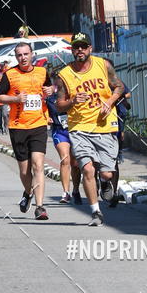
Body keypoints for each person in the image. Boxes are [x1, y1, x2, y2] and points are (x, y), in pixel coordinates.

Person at [55, 32, 125, 226]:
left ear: (90, 49)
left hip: (104, 125)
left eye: (83, 46)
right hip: (79, 128)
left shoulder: (103, 65)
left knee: (107, 173)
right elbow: (59, 105)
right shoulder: (64, 75)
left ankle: (105, 182)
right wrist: (72, 101)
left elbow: (119, 87)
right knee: (87, 169)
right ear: (71, 50)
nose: (80, 50)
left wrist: (109, 102)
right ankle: (96, 212)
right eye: (76, 47)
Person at [0, 42, 53, 221]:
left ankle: (40, 207)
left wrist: (51, 90)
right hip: (18, 126)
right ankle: (28, 192)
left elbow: (50, 89)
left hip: (38, 124)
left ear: (32, 54)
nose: (23, 58)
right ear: (16, 57)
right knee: (24, 170)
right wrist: (16, 99)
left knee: (38, 165)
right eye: (19, 55)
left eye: (26, 54)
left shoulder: (42, 72)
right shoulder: (10, 74)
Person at [46, 69, 81, 204]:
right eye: (56, 80)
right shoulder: (50, 97)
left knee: (75, 163)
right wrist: (47, 117)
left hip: (75, 130)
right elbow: (44, 110)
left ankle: (76, 190)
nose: (58, 82)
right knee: (65, 159)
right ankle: (65, 192)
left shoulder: (74, 94)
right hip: (60, 131)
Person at [115, 81, 132, 163]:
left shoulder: (118, 83)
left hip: (120, 112)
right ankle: (114, 153)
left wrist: (121, 96)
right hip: (109, 113)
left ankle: (120, 153)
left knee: (120, 133)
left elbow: (129, 94)